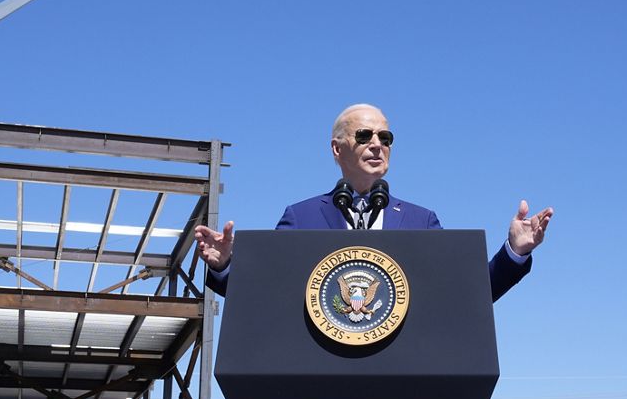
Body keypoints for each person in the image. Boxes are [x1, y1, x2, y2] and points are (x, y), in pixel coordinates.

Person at [193, 104, 552, 301]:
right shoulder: (300, 217)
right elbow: (266, 294)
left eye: (386, 136)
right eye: (364, 135)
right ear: (337, 148)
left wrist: (514, 253)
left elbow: (467, 295)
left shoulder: (421, 221)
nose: (377, 143)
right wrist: (225, 266)